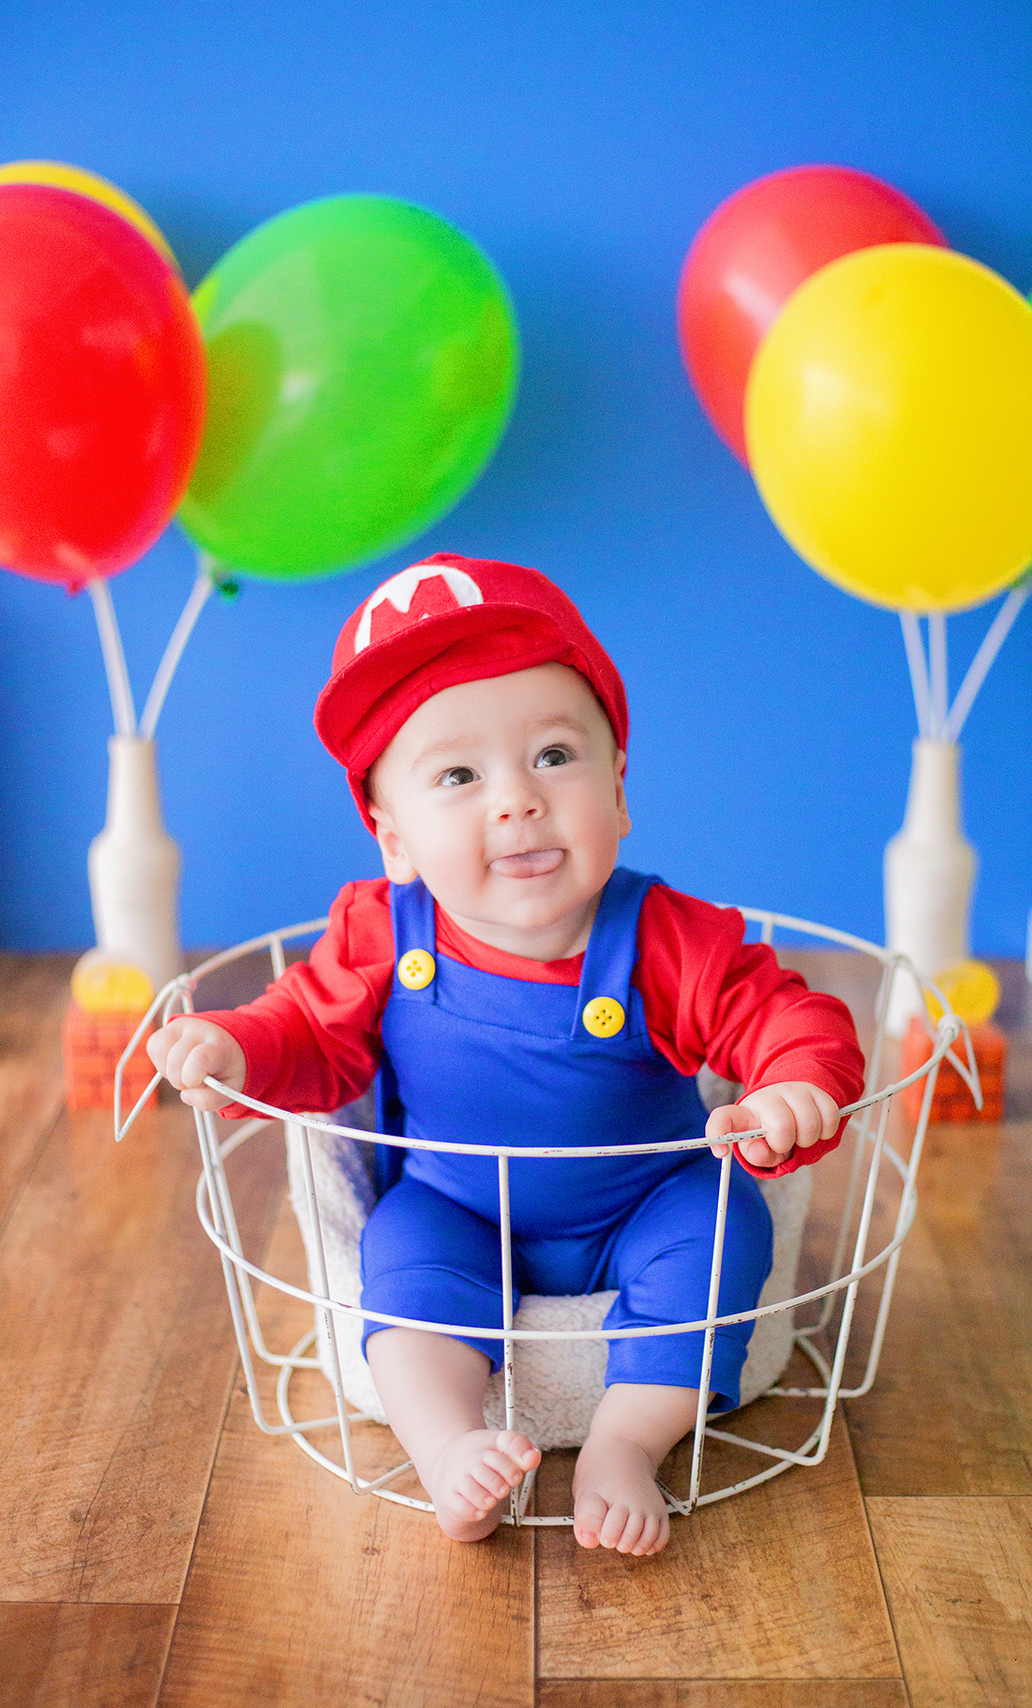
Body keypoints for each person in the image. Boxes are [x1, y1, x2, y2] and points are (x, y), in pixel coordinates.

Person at [149, 554, 864, 1557]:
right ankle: (448, 1447)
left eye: (555, 756)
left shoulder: (666, 937)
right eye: (459, 776)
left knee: (722, 1225)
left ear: (620, 789)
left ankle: (628, 1441)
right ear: (393, 839)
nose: (518, 800)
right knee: (399, 1259)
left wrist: (792, 1085)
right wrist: (236, 1045)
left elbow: (780, 1011)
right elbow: (306, 1029)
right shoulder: (379, 932)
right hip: (458, 1205)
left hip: (643, 1200)